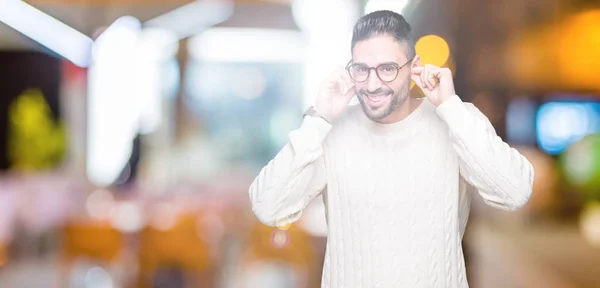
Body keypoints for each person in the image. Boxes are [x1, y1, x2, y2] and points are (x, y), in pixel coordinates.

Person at [249, 10, 534, 288]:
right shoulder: (330, 131)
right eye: (362, 69)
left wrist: (451, 108)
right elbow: (267, 207)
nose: (373, 85)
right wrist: (318, 119)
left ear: (414, 67)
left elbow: (515, 192)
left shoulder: (455, 120)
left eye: (387, 69)